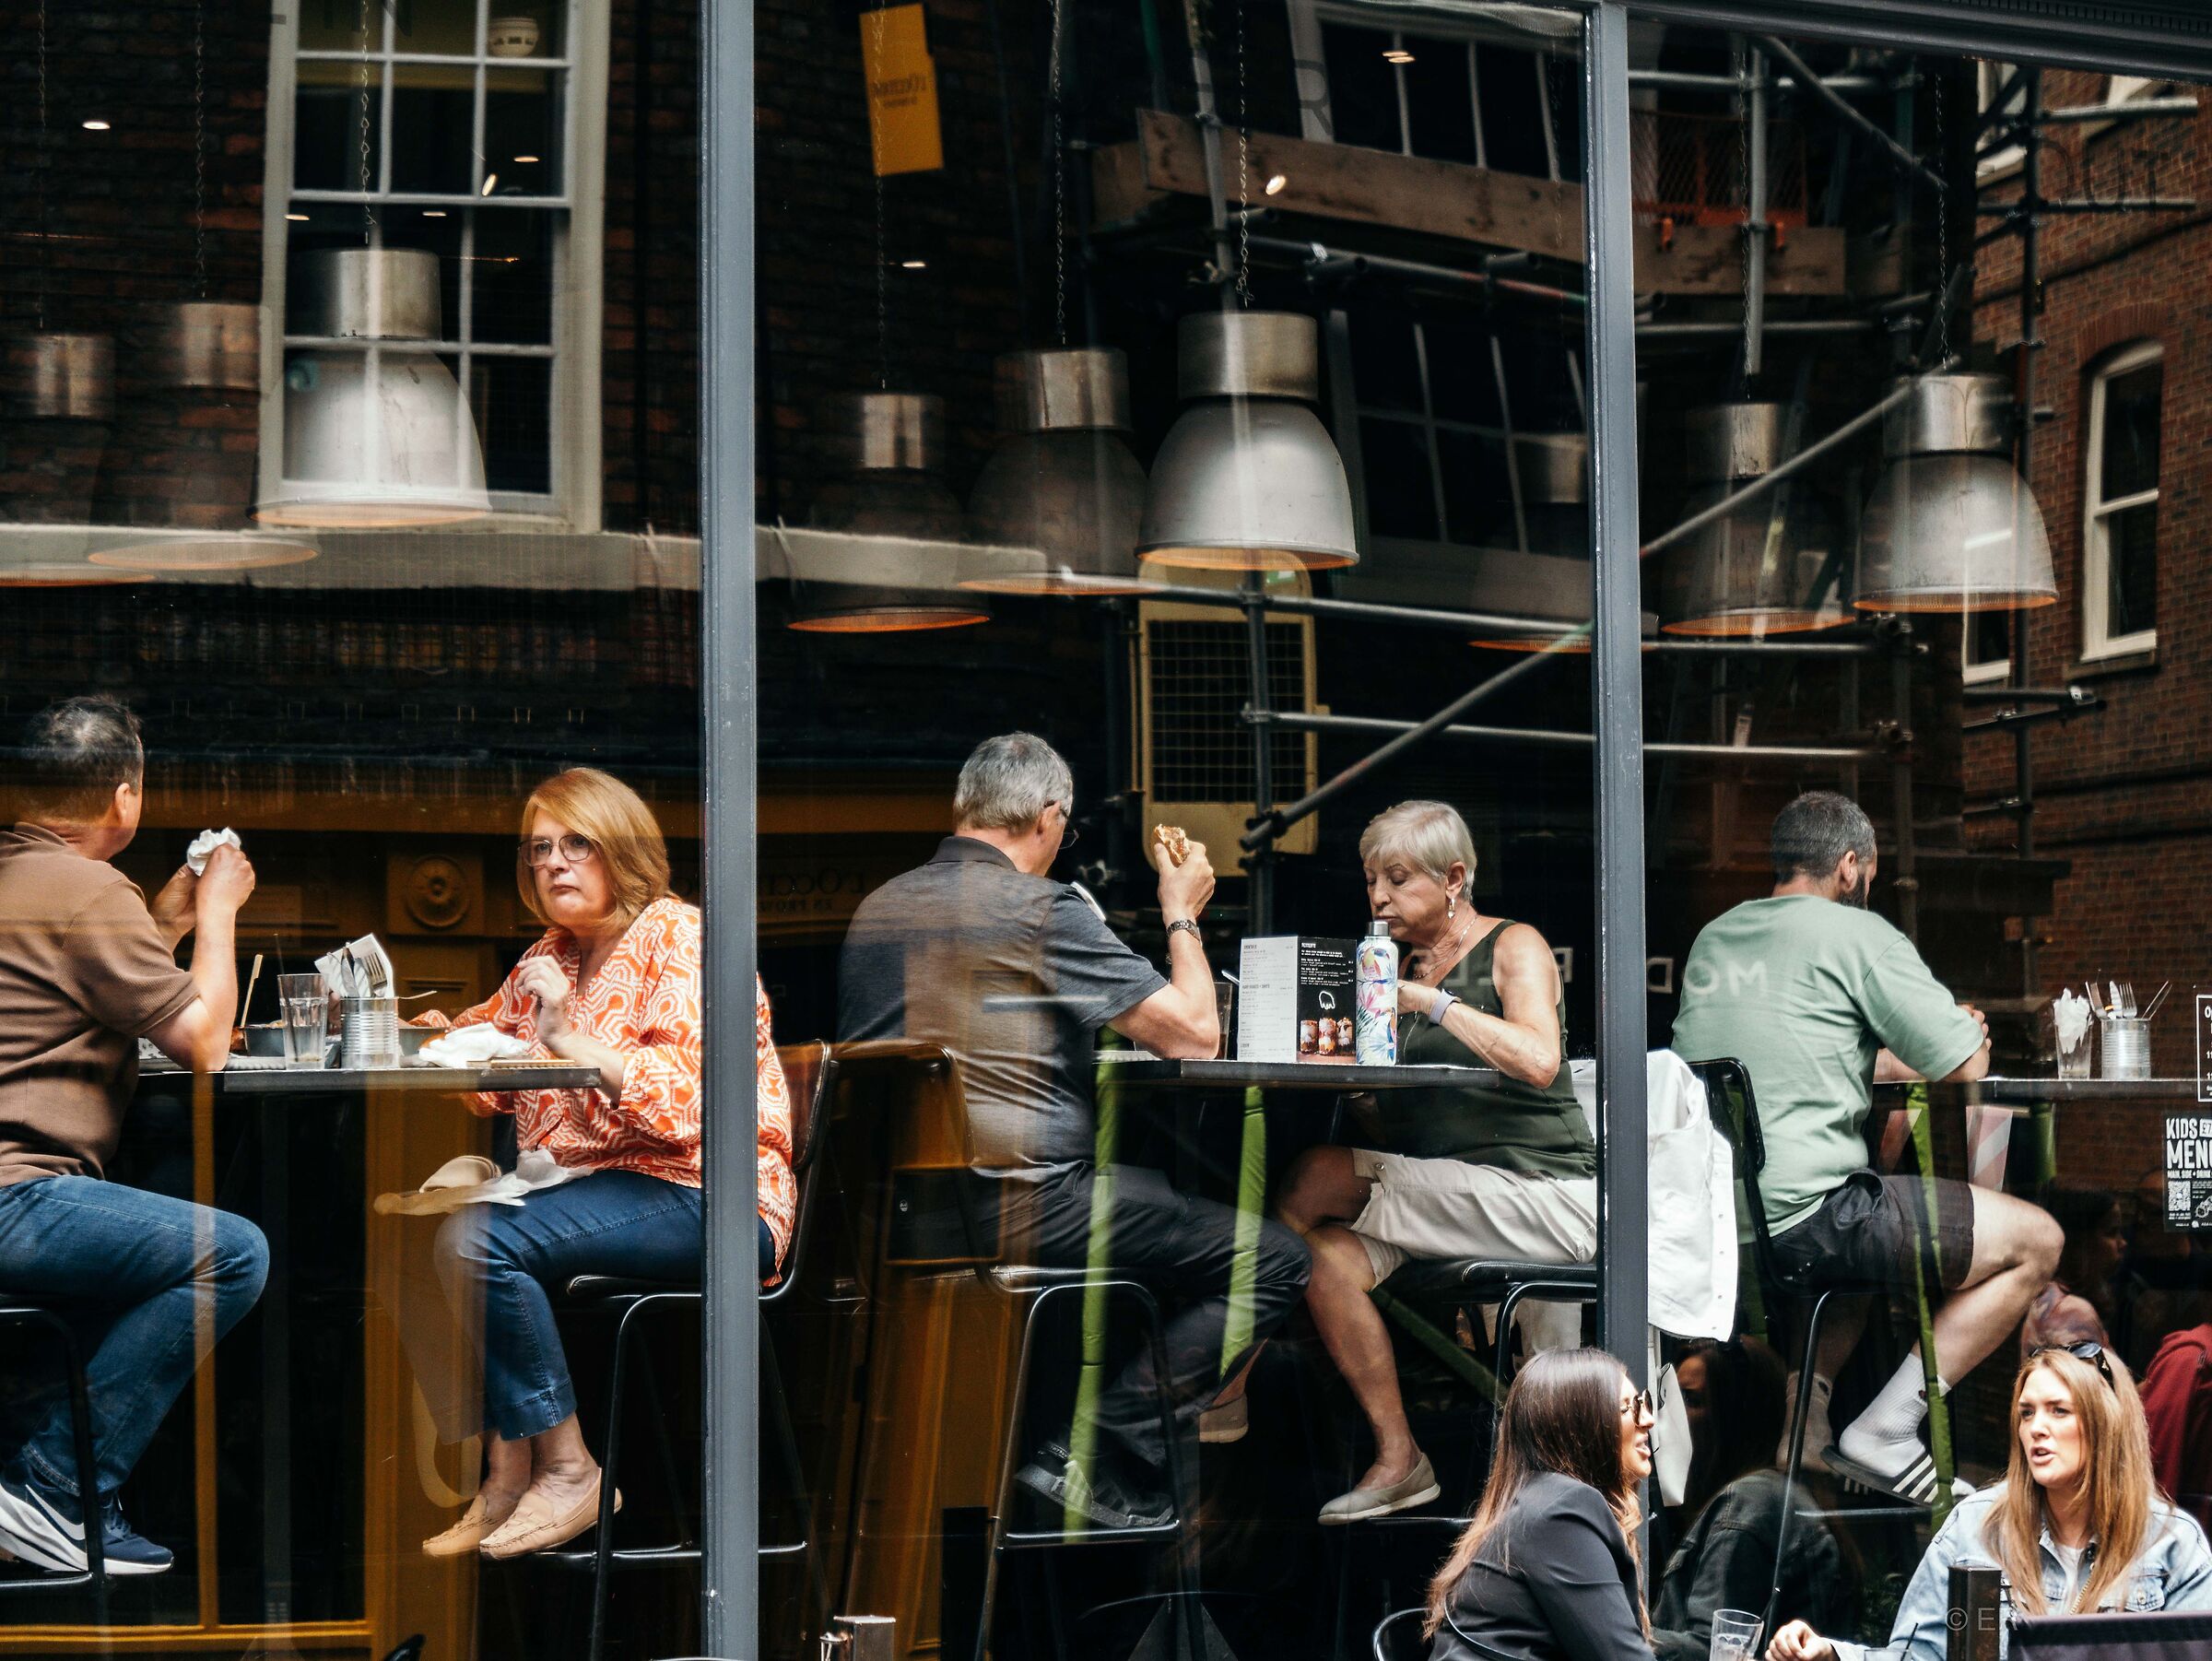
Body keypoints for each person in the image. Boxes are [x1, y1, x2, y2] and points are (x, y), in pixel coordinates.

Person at [837, 732, 1310, 1529]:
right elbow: (1195, 1034)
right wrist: (1178, 914)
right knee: (1272, 1258)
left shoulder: (879, 907)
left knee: (1151, 1198)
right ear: (1051, 818)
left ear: (964, 809)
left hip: (895, 1214)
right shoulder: (1038, 909)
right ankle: (1097, 1447)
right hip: (1018, 1207)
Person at [398, 767, 790, 1560]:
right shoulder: (553, 954)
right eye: (540, 848)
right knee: (423, 1236)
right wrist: (413, 1036)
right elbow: (488, 1071)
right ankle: (508, 1472)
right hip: (596, 1190)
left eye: (577, 843)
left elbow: (692, 1107)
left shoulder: (682, 937)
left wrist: (569, 1037)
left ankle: (571, 1469)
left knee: (479, 1242)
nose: (554, 863)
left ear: (623, 850)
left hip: (707, 1193)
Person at [1671, 791, 2059, 1503]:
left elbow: (1792, 1050)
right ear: (1849, 868)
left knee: (1859, 1246)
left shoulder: (1717, 936)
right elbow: (1964, 1067)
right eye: (1869, 875)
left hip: (1724, 1222)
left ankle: (1805, 1426)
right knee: (2038, 1240)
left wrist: (1886, 1059)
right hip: (1810, 1217)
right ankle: (1887, 1425)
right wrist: (1963, 1032)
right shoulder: (1858, 937)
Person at [0, 695, 267, 1575]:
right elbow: (204, 1047)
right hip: (15, 1198)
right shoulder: (85, 889)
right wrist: (222, 911)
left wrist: (166, 924)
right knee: (229, 1253)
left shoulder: (35, 879)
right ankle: (54, 1486)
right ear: (124, 799)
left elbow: (84, 983)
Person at [1274, 800, 1594, 1523]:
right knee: (1324, 1258)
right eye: (1370, 880)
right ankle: (1399, 1458)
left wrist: (1435, 1004)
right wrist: (1355, 1084)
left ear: (1453, 878)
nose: (1378, 897)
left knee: (1317, 1175)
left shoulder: (1515, 946)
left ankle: (1237, 1356)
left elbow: (1541, 1060)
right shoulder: (1399, 968)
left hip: (1545, 1193)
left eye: (1396, 878)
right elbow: (1411, 1127)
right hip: (1455, 1195)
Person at [1768, 1344, 2212, 1661]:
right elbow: (1917, 1655)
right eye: (2027, 1412)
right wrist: (1831, 1656)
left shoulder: (2172, 1543)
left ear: (2106, 1425)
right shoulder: (1976, 1525)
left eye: (2059, 1410)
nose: (2037, 1427)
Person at [1426, 1347, 1657, 1661]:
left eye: (1643, 1401)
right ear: (1581, 1427)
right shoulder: (1562, 1511)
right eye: (1628, 1408)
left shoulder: (1540, 1500)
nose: (1648, 1419)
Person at [1653, 1339, 1848, 1661]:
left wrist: (1614, 1630)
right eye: (1669, 1399)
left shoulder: (1751, 1502)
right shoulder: (1754, 1497)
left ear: (1735, 1418)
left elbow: (1714, 1649)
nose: (1669, 1416)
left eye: (1691, 1399)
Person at [2019, 1185, 2125, 1359]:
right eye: (2111, 1232)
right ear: (2081, 1242)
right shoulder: (2070, 1312)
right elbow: (2092, 1386)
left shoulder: (2050, 1296)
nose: (2122, 1243)